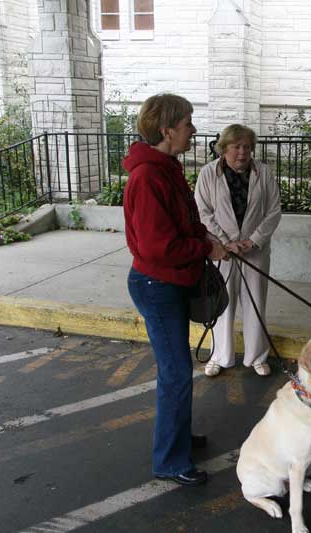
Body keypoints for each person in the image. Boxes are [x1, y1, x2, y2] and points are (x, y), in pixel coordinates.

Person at [123, 93, 227, 487]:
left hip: (170, 283)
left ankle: (178, 439)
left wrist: (211, 239)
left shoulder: (165, 168)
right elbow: (158, 247)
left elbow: (185, 222)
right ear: (167, 130)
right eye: (187, 123)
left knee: (178, 371)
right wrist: (205, 247)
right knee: (176, 374)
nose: (193, 129)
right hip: (157, 285)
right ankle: (169, 460)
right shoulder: (149, 176)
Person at [194, 124, 282, 377]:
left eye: (247, 147)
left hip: (254, 250)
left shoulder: (263, 173)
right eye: (236, 147)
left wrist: (253, 240)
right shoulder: (209, 173)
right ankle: (219, 356)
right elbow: (203, 212)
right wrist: (223, 242)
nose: (242, 153)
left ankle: (257, 356)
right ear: (224, 148)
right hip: (222, 251)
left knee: (255, 303)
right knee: (222, 304)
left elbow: (273, 211)